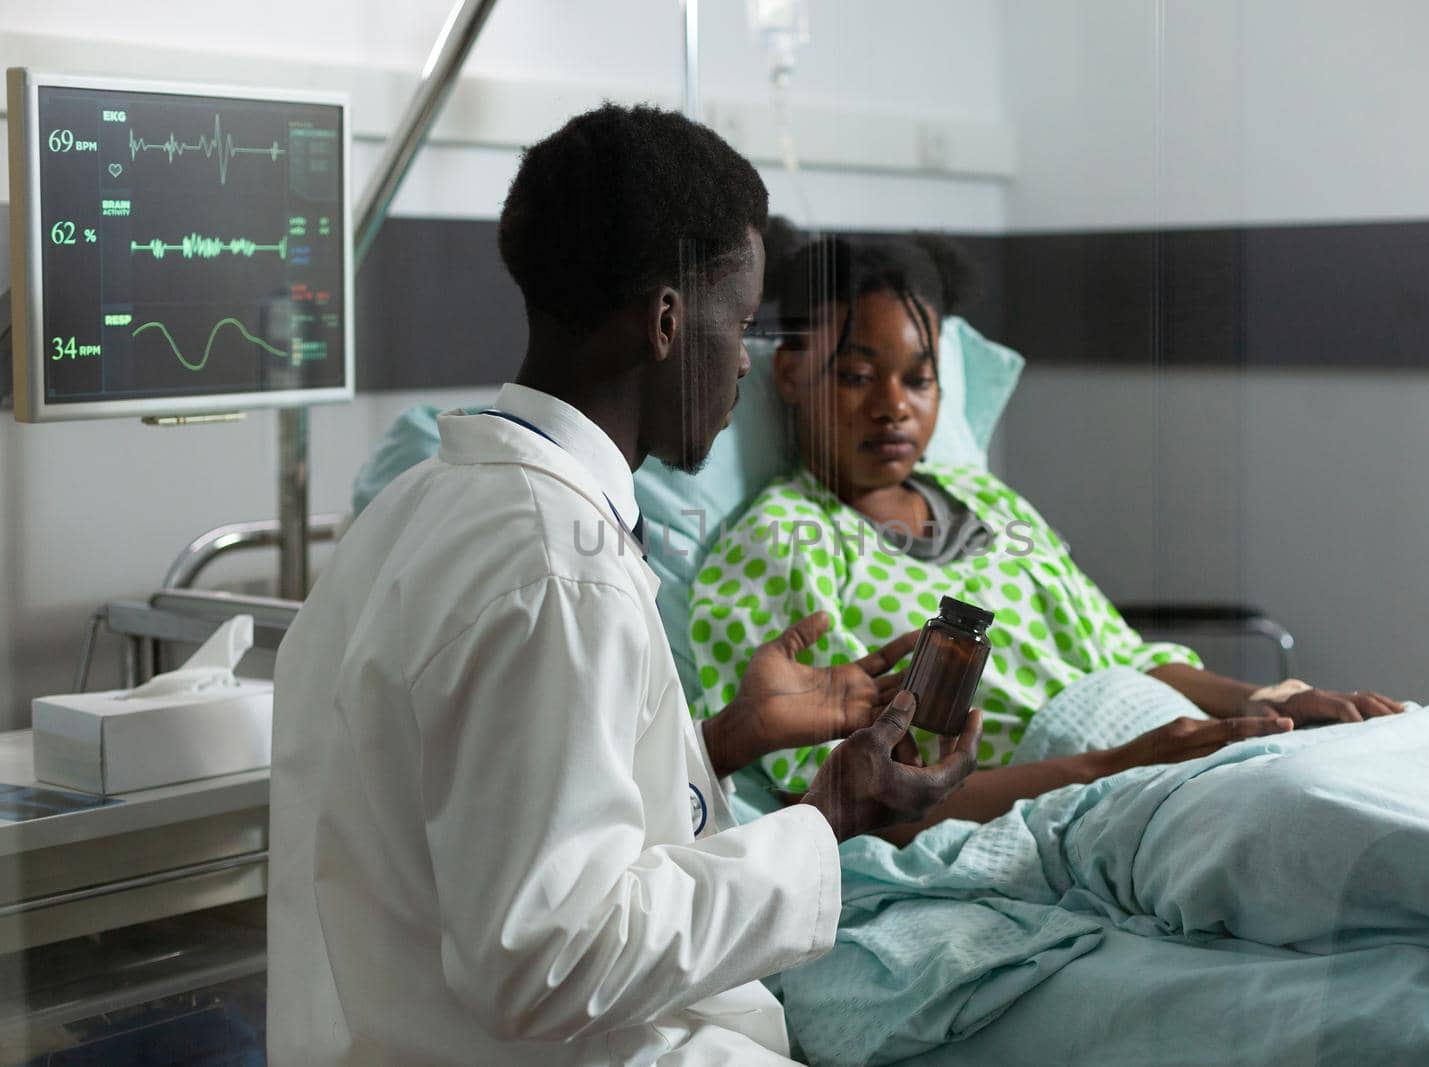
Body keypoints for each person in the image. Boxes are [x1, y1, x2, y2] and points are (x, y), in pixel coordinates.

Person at [268, 107, 979, 1066]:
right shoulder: (560, 573)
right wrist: (829, 817)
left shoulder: (419, 512)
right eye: (740, 324)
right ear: (667, 321)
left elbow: (518, 820)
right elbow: (547, 959)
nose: (745, 365)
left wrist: (719, 742)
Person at [689, 230, 1405, 838]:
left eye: (920, 379)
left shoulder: (987, 501)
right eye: (857, 375)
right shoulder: (780, 544)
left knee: (1389, 770)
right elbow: (828, 802)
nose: (893, 408)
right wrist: (1115, 766)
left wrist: (1264, 704)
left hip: (1176, 744)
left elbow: (1127, 657)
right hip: (1071, 798)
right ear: (788, 370)